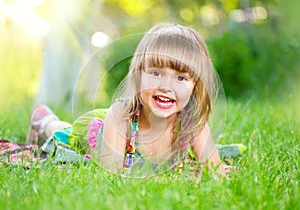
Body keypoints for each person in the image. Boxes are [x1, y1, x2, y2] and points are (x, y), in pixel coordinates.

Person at [25, 23, 237, 177]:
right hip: (99, 131)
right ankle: (42, 119)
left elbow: (215, 170)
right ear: (138, 75)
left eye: (181, 78)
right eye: (156, 73)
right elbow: (112, 175)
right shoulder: (120, 117)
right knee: (64, 133)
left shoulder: (193, 124)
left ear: (195, 86)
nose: (166, 86)